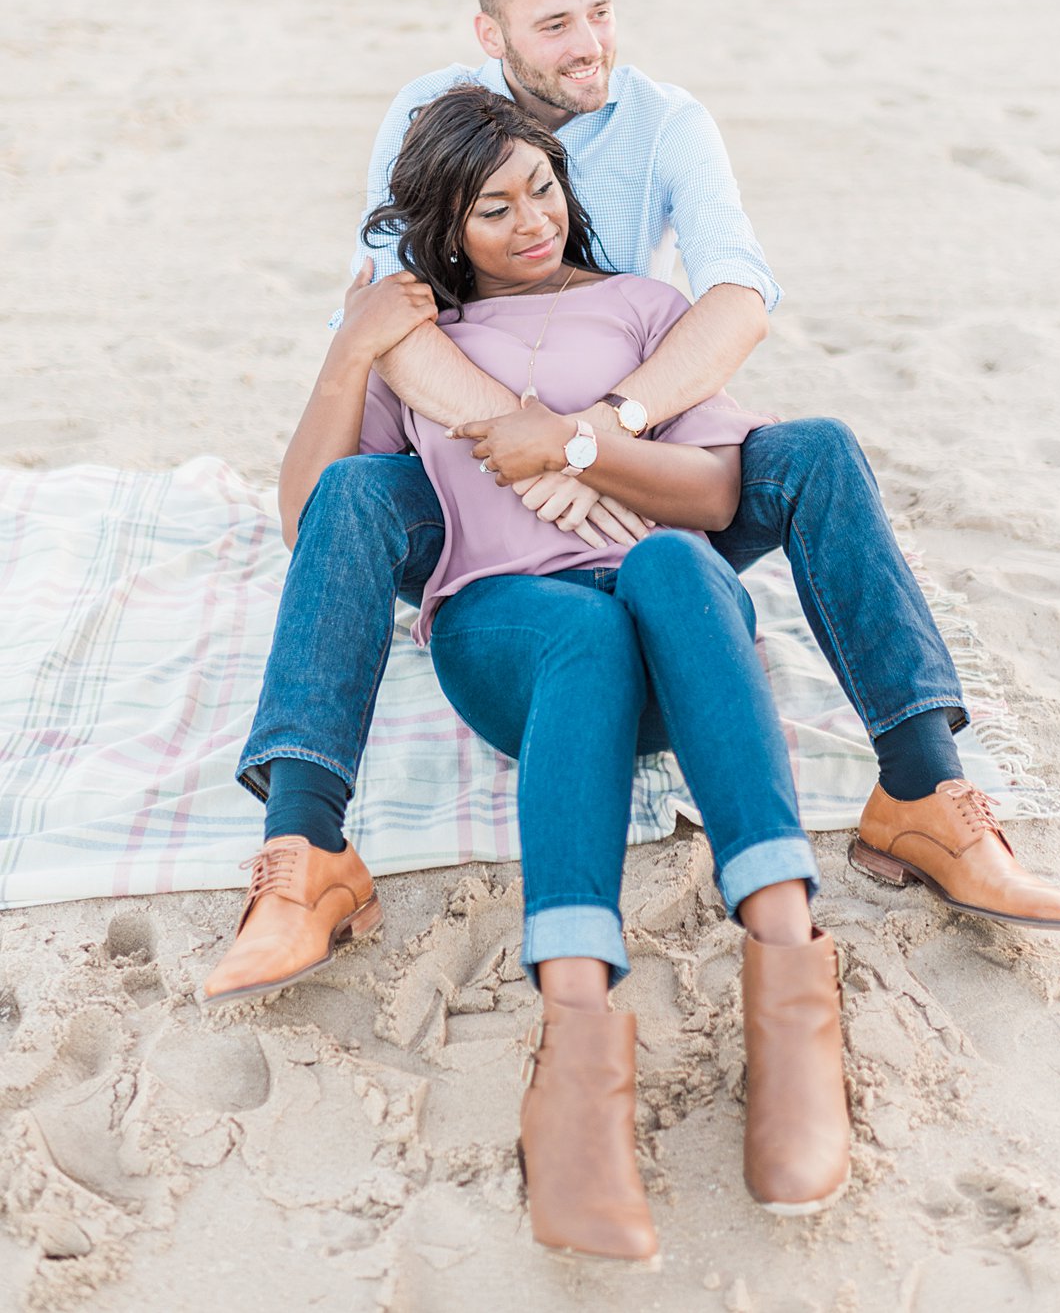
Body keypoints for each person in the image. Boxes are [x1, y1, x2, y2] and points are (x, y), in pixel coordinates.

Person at [321, 0, 1060, 933]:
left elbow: (738, 294)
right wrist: (524, 440)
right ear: (490, 36)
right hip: (474, 471)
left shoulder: (667, 121)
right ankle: (304, 837)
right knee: (355, 491)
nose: (588, 43)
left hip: (645, 472)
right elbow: (389, 307)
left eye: (600, 10)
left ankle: (919, 788)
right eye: (554, 24)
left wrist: (600, 427)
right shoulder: (433, 109)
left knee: (816, 452)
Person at [205, 88, 854, 1257]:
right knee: (580, 634)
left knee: (666, 566)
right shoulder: (424, 351)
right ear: (448, 231)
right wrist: (352, 348)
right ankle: (574, 1039)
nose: (530, 221)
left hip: (679, 645)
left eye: (542, 188)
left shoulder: (646, 307)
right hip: (511, 636)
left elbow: (716, 493)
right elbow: (319, 517)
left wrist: (585, 443)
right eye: (494, 208)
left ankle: (791, 982)